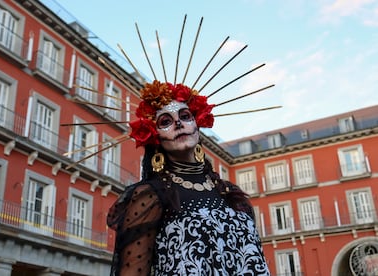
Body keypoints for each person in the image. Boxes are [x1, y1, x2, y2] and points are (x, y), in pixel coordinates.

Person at [107, 80, 270, 275]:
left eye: (185, 116)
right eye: (165, 121)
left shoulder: (232, 195)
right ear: (155, 137)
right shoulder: (151, 196)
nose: (178, 123)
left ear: (197, 126)